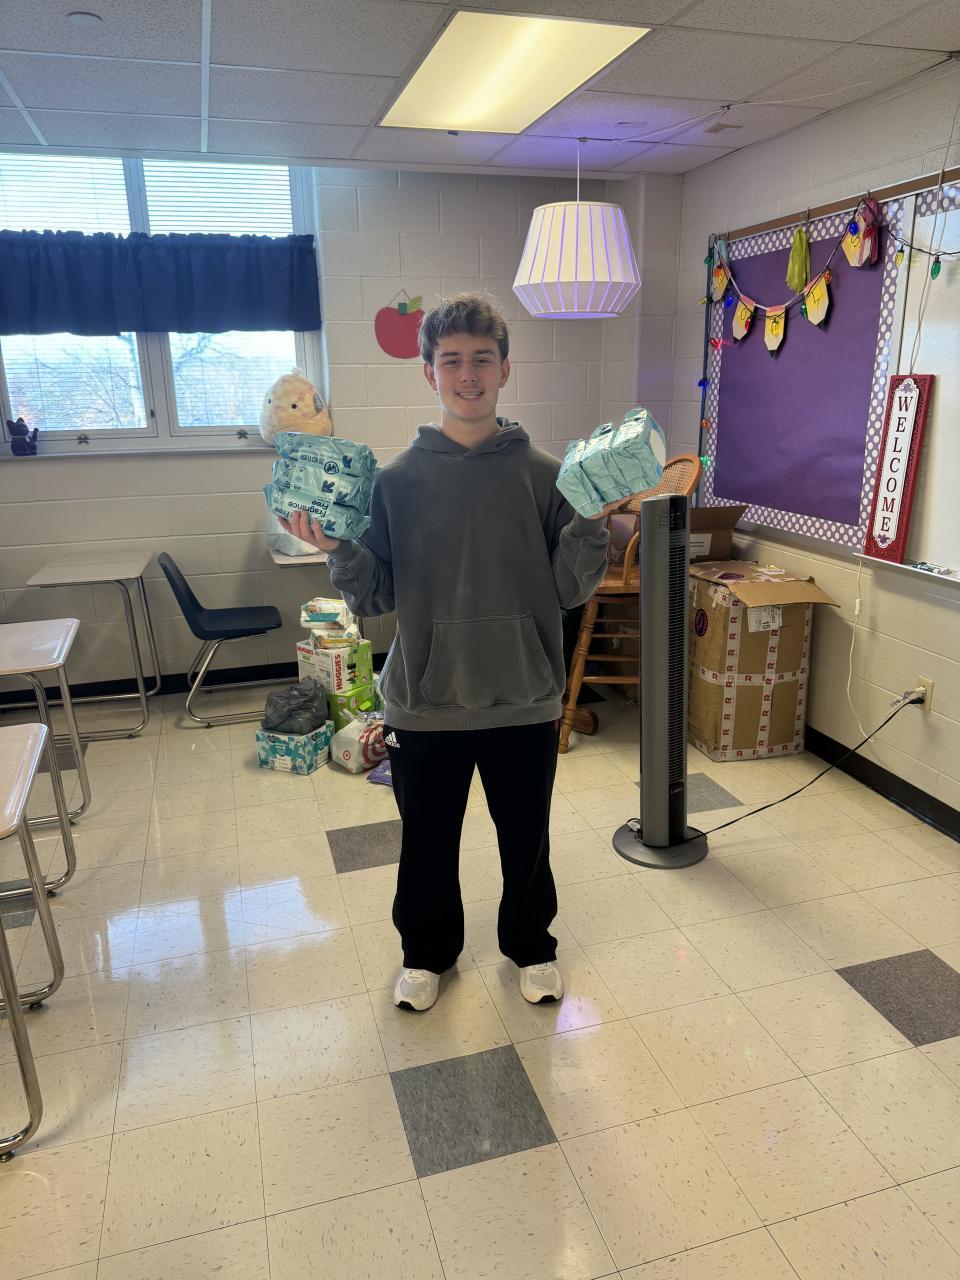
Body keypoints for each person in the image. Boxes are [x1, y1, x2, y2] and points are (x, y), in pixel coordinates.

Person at [281, 294, 613, 1013]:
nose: (468, 375)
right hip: (426, 703)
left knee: (526, 839)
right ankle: (426, 954)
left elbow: (570, 587)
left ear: (505, 369)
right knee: (427, 842)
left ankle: (532, 946)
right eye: (452, 361)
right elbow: (374, 596)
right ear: (429, 372)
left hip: (523, 696)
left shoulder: (550, 477)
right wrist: (337, 549)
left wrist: (591, 520)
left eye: (482, 360)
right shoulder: (394, 483)